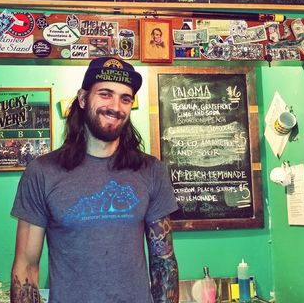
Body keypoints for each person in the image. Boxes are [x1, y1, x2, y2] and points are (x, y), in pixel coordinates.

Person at [10, 57, 179, 303]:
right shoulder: (42, 172)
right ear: (82, 98)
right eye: (105, 94)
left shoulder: (151, 170)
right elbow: (26, 268)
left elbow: (163, 263)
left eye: (125, 98)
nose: (115, 106)